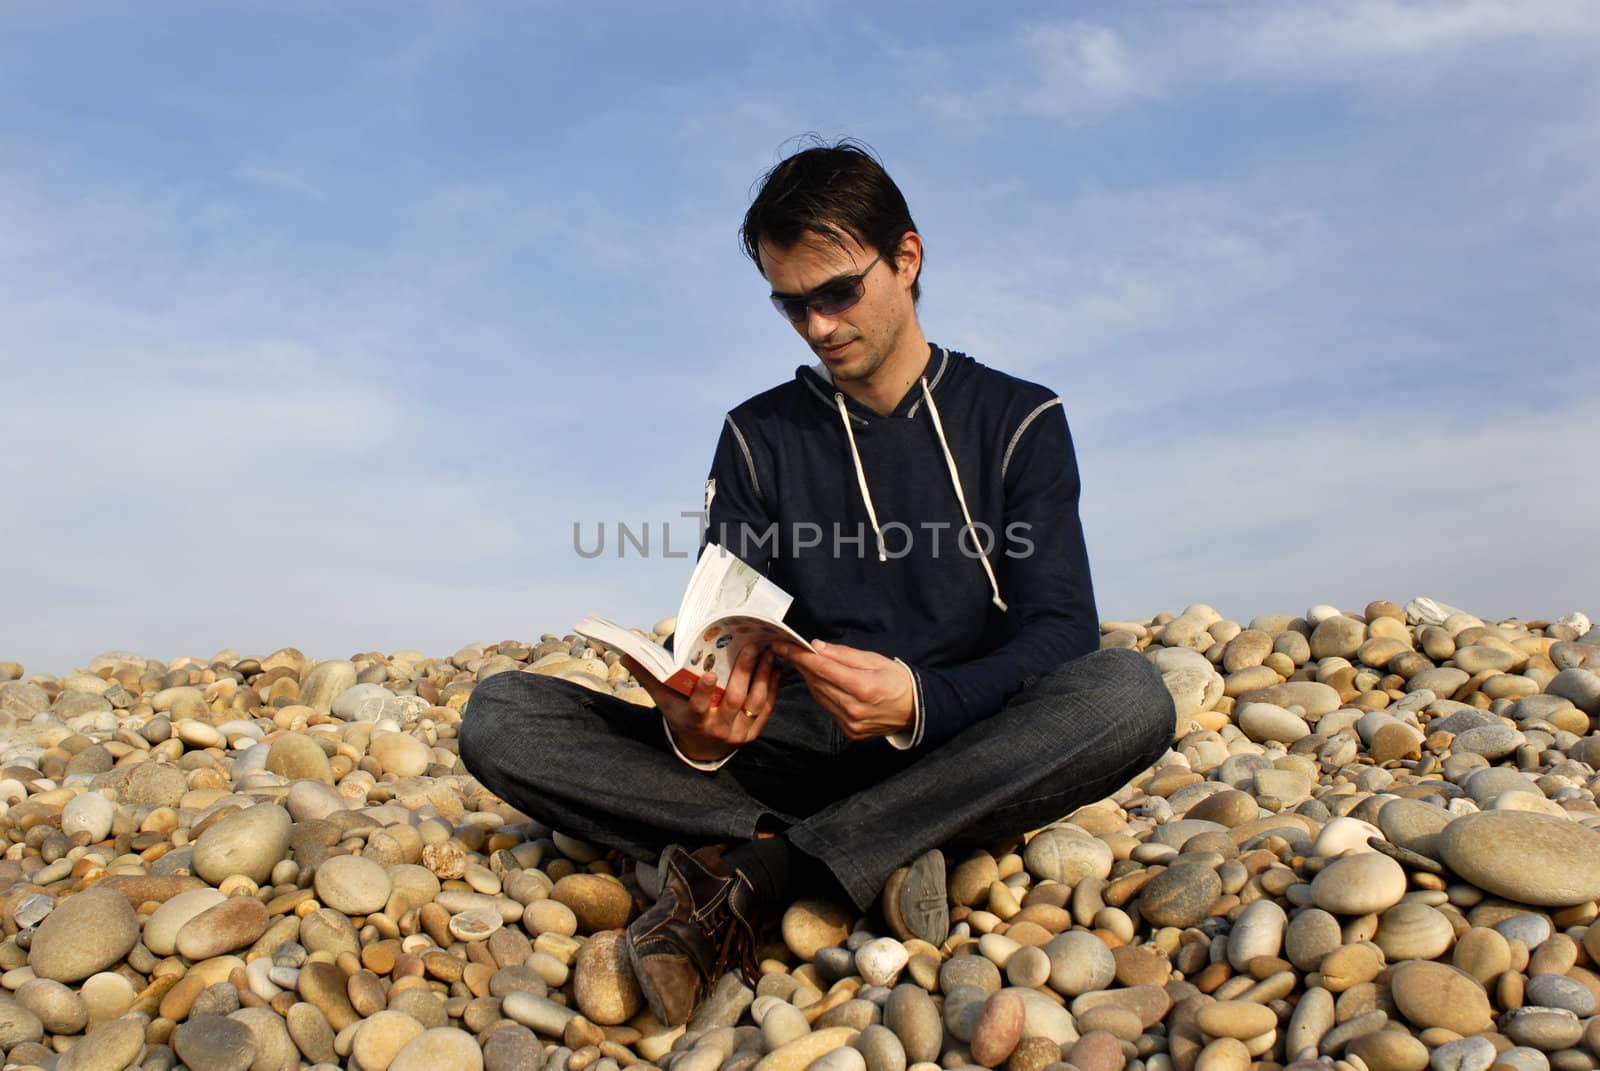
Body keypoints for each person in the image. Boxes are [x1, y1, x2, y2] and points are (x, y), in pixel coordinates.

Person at [460, 139, 1174, 1027]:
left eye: (838, 293)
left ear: (907, 259)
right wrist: (702, 729)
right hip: (790, 751)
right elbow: (725, 631)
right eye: (791, 305)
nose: (820, 326)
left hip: (957, 735)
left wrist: (920, 697)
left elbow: (1062, 628)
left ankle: (762, 871)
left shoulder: (1020, 419)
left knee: (1130, 693)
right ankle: (890, 845)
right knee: (501, 715)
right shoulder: (756, 435)